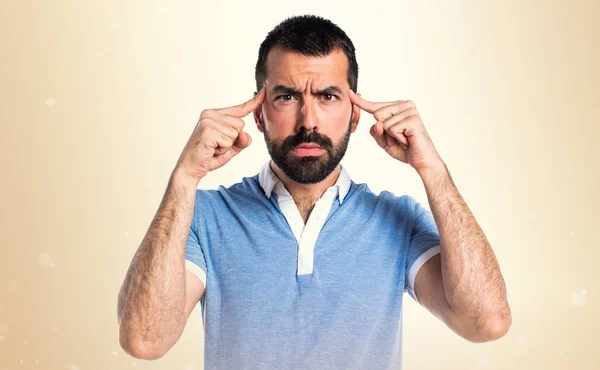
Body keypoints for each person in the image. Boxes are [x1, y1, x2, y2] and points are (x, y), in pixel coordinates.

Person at [117, 14, 511, 369]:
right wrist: (184, 179)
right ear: (259, 113)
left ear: (355, 115)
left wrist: (434, 171)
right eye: (287, 96)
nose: (309, 120)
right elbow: (145, 340)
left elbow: (486, 322)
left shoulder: (397, 221)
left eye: (327, 96)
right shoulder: (204, 216)